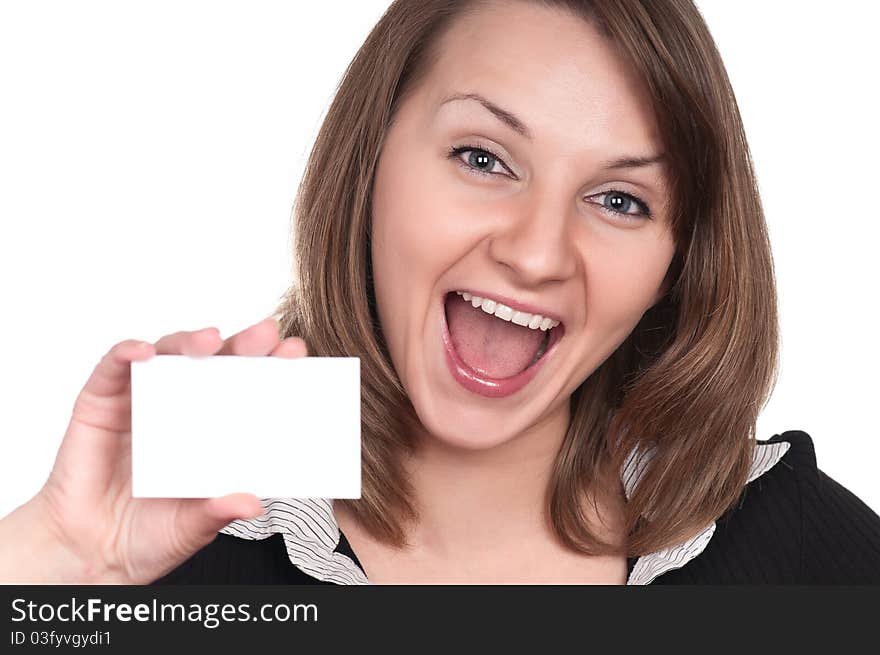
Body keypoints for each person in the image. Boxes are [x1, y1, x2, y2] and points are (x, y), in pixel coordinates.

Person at [2, 0, 879, 585]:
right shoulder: (179, 534)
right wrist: (59, 553)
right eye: (483, 158)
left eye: (620, 199)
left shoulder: (801, 551)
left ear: (676, 263)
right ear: (371, 160)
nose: (537, 253)